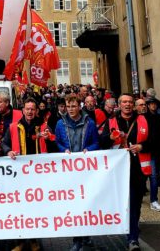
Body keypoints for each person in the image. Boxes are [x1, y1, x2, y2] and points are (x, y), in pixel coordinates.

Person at [100, 94, 153, 251]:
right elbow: (101, 142)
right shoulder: (110, 121)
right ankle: (132, 237)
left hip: (138, 168)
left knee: (136, 203)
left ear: (135, 105)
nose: (128, 105)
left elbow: (157, 140)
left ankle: (133, 232)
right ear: (119, 104)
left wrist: (142, 146)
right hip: (118, 170)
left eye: (130, 102)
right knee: (127, 202)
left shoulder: (145, 119)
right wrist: (110, 137)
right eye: (124, 102)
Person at [3, 98, 49, 251]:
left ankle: (34, 240)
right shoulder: (13, 127)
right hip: (19, 174)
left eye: (32, 109)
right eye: (27, 109)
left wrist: (49, 138)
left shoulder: (43, 126)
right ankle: (20, 241)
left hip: (38, 173)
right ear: (22, 110)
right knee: (19, 208)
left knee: (35, 208)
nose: (30, 112)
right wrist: (7, 151)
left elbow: (54, 143)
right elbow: (4, 143)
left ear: (36, 111)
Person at [55, 94, 99, 251]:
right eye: (68, 106)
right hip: (68, 171)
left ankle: (86, 236)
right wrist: (63, 149)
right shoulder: (60, 124)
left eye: (73, 106)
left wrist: (89, 149)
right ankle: (77, 239)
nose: (71, 109)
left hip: (85, 170)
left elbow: (96, 143)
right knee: (73, 206)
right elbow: (57, 142)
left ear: (79, 106)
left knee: (86, 204)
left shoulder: (90, 124)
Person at [145, 97, 160, 212]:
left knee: (154, 176)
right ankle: (152, 199)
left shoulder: (158, 118)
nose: (153, 106)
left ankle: (154, 200)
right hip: (146, 150)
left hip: (155, 151)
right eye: (151, 104)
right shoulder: (143, 117)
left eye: (154, 104)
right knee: (149, 177)